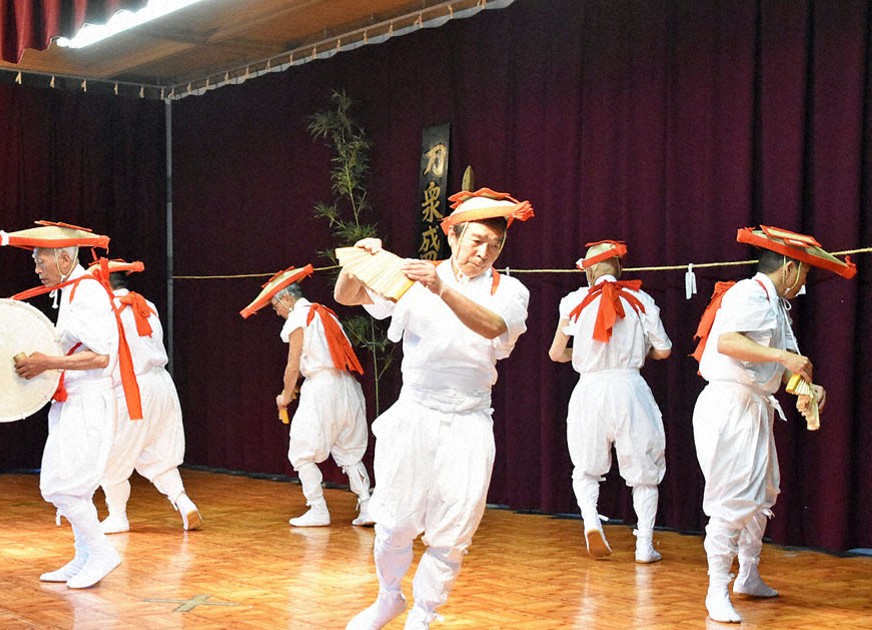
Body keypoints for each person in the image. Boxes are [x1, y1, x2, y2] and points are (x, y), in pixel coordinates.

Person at [335, 188, 533, 630]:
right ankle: (389, 597)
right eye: (476, 240)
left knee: (453, 529)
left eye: (494, 245)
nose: (484, 252)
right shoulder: (417, 278)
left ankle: (423, 614)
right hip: (415, 414)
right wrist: (358, 261)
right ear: (454, 236)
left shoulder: (510, 291)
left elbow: (493, 327)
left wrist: (441, 287)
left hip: (469, 420)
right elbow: (348, 296)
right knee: (394, 521)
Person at [690, 225, 856, 623]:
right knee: (732, 499)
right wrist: (784, 361)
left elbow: (777, 366)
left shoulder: (776, 306)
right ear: (789, 267)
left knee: (761, 495)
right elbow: (728, 342)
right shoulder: (748, 293)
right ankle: (716, 590)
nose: (804, 283)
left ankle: (748, 574)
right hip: (729, 405)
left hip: (754, 406)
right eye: (804, 273)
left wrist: (804, 389)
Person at [0, 221, 126, 589]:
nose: (36, 268)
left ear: (65, 257)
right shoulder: (71, 291)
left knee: (61, 485)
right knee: (72, 485)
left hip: (89, 400)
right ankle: (83, 556)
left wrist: (46, 363)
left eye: (40, 261)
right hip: (73, 399)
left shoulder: (86, 293)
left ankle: (101, 552)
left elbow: (102, 357)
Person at [547, 240, 672, 563]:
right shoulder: (642, 300)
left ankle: (590, 520)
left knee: (586, 466)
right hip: (629, 387)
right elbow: (664, 350)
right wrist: (634, 352)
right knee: (644, 469)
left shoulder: (573, 301)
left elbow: (556, 353)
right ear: (619, 268)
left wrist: (588, 356)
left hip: (590, 388)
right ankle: (644, 545)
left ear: (590, 271)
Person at [241, 266, 372, 528]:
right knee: (350, 451)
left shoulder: (299, 317)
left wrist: (285, 396)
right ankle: (367, 505)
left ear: (286, 298)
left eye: (275, 306)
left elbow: (293, 365)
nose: (276, 312)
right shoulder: (326, 314)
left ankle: (318, 509)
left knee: (301, 451)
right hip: (347, 386)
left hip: (322, 388)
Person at [95, 265, 202, 534]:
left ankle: (118, 515)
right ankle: (183, 502)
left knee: (109, 455)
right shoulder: (148, 305)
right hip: (161, 385)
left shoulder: (108, 312)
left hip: (134, 388)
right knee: (156, 453)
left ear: (104, 285)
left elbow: (105, 356)